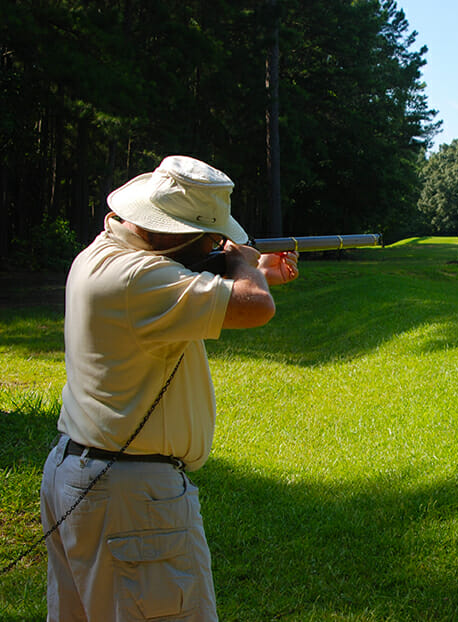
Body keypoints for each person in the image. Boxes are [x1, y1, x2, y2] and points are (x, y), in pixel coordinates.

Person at [39, 155, 299, 621]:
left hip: (84, 473)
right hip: (132, 498)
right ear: (173, 233)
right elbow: (255, 307)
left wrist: (256, 269)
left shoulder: (102, 254)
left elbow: (206, 287)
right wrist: (243, 264)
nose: (215, 244)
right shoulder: (139, 278)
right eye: (209, 237)